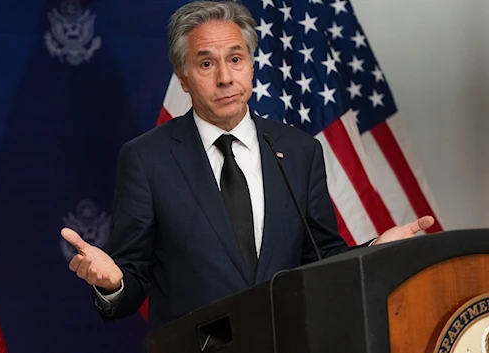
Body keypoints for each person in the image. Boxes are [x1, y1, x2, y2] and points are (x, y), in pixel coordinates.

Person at [61, 0, 435, 331]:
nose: (225, 78)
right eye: (206, 63)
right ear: (182, 74)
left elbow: (323, 260)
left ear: (252, 64)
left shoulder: (301, 150)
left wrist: (373, 248)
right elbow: (133, 278)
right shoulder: (146, 158)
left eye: (236, 59)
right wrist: (113, 284)